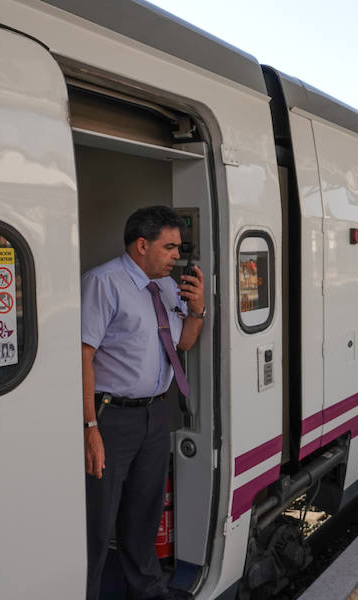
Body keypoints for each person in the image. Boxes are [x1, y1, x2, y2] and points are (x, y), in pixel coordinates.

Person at [81, 206, 205, 600]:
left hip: (154, 412)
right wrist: (90, 428)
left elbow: (182, 343)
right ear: (141, 245)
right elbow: (81, 356)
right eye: (169, 247)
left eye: (178, 247)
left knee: (144, 510)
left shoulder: (166, 287)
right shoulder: (103, 283)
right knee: (98, 520)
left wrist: (198, 309)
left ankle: (147, 591)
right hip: (110, 416)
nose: (176, 256)